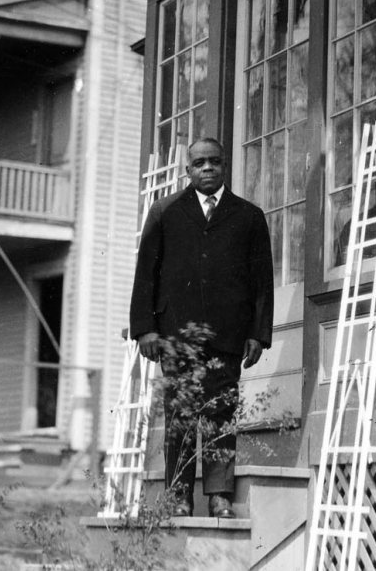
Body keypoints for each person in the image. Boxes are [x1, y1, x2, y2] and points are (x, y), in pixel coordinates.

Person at [129, 137, 274, 519]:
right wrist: (145, 328)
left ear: (224, 166)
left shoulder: (248, 216)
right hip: (177, 334)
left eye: (214, 162)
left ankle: (220, 494)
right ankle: (178, 494)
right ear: (187, 170)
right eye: (199, 163)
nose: (207, 168)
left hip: (227, 335)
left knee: (221, 411)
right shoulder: (165, 211)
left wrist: (258, 332)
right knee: (180, 415)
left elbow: (262, 280)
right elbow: (146, 273)